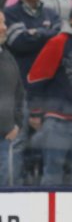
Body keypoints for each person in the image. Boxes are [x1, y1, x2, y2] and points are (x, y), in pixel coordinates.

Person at [27, 3, 72, 186]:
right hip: (58, 120)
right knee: (52, 174)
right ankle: (46, 214)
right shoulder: (58, 42)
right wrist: (35, 111)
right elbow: (36, 77)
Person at [0, 10, 25, 186]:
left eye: (4, 23)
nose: (4, 28)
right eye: (0, 24)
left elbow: (19, 93)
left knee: (7, 184)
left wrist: (16, 124)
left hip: (6, 135)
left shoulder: (7, 57)